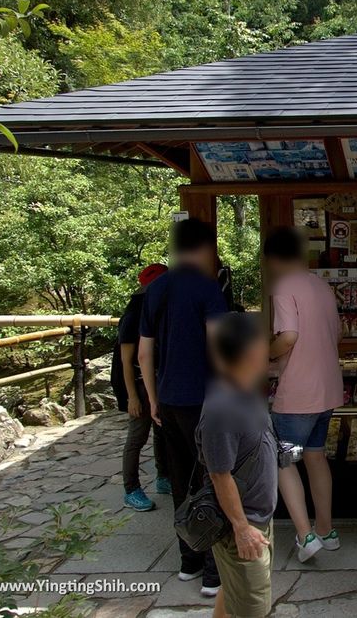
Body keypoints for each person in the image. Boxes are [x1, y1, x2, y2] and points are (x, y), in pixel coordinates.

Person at [140, 218, 228, 597]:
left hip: (168, 398)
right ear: (205, 248)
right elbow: (219, 349)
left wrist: (152, 398)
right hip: (203, 398)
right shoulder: (209, 290)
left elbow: (145, 352)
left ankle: (188, 561)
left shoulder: (156, 289)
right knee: (212, 479)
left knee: (180, 482)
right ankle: (213, 571)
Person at [264, 227, 344, 562]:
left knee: (283, 460)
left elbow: (289, 336)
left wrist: (265, 353)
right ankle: (326, 529)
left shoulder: (284, 286)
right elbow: (336, 333)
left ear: (272, 259)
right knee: (315, 456)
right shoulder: (321, 285)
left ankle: (304, 535)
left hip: (297, 391)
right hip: (328, 388)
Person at [197, 312, 278, 618]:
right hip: (242, 526)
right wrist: (242, 528)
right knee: (252, 607)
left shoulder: (244, 390)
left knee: (233, 592)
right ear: (249, 352)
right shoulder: (223, 407)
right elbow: (220, 474)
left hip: (257, 518)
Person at [114, 263, 171, 512]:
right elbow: (127, 361)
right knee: (137, 436)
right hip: (138, 383)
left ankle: (163, 477)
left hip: (158, 380)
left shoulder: (158, 310)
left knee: (161, 432)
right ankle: (131, 489)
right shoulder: (133, 316)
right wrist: (132, 397)